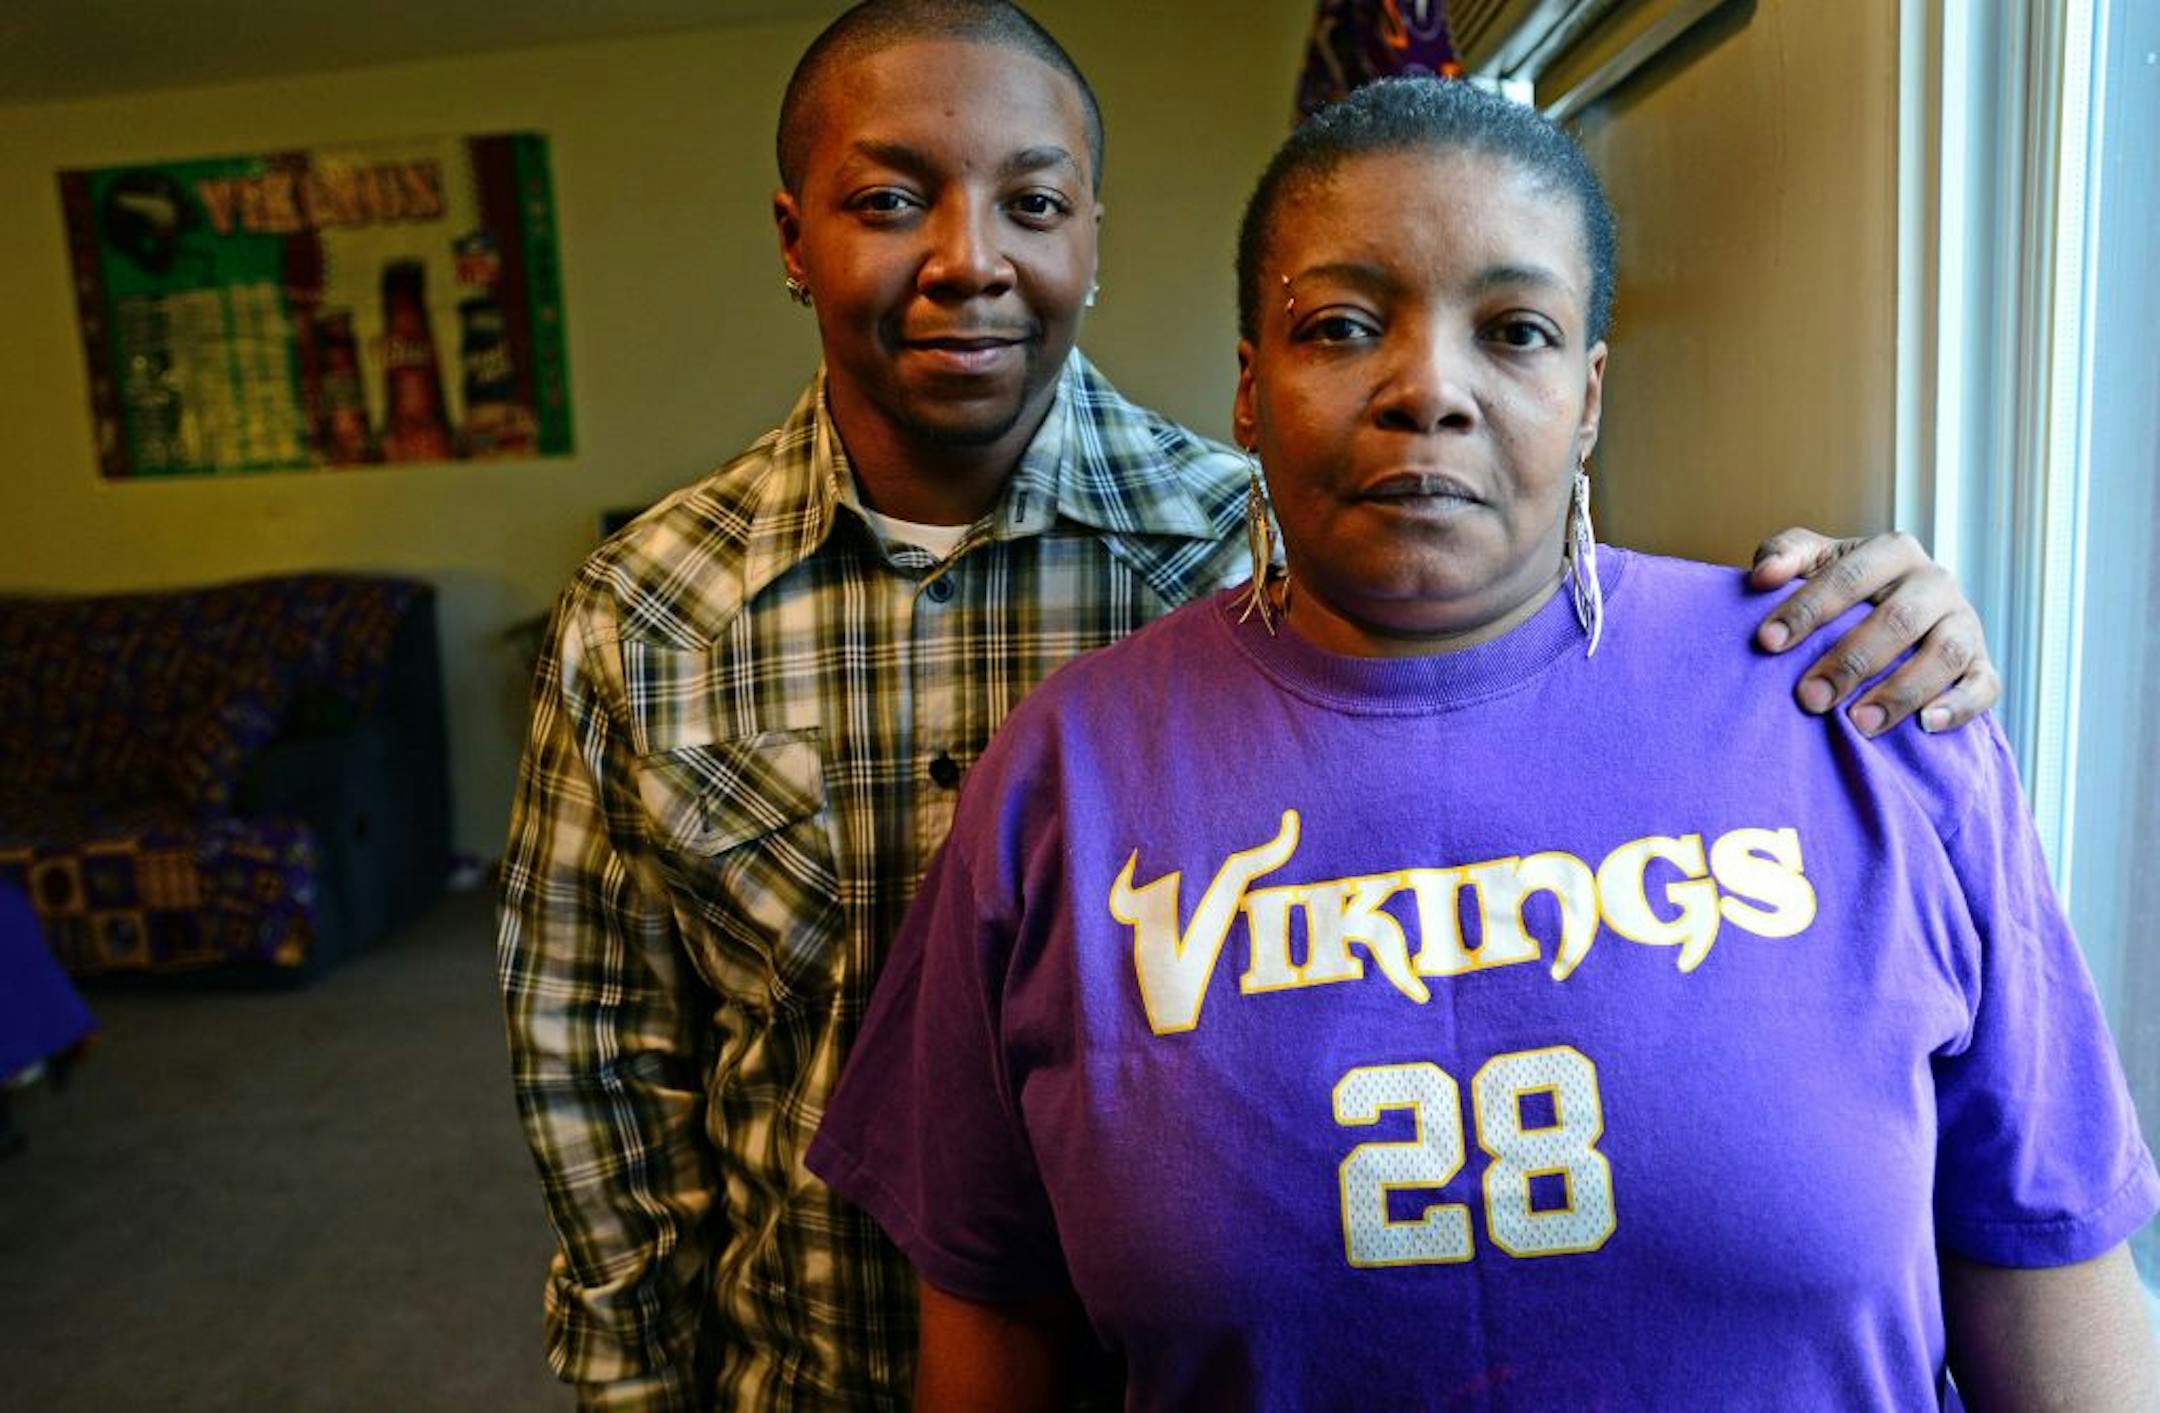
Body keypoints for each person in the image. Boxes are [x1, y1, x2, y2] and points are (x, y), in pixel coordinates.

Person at [499, 4, 2004, 1408]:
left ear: (1093, 233)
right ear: (794, 235)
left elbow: (1541, 723)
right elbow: (598, 1071)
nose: (969, 259)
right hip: (820, 1355)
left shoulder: (1277, 534)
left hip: (1178, 1336)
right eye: (891, 200)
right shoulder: (648, 612)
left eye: (1032, 203)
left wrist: (1879, 608)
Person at [806, 75, 2159, 1410]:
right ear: (1248, 389)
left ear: (1588, 393)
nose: (1427, 390)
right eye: (1339, 326)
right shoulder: (1065, 783)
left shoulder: (1857, 708)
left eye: (1513, 331)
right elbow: (996, 1354)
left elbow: (2056, 1290)